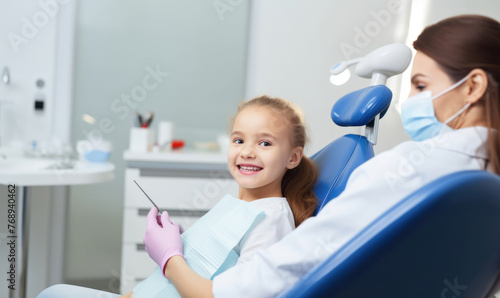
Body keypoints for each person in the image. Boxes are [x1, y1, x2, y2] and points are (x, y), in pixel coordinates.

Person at [133, 14, 500, 298]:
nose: (411, 100)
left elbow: (260, 281)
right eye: (238, 140)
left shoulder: (402, 171)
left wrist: (169, 257)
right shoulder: (482, 180)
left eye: (421, 86)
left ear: (473, 86)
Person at [37, 95, 318, 298]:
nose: (247, 151)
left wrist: (170, 257)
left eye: (265, 143)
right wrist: (183, 245)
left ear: (293, 157)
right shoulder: (240, 205)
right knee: (53, 292)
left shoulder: (271, 219)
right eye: (238, 140)